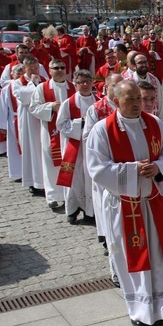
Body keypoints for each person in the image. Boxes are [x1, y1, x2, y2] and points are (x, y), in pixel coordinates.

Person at [86, 80, 163, 326]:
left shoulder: (155, 124)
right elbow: (97, 169)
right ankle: (140, 310)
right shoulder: (102, 130)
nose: (136, 104)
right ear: (117, 100)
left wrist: (159, 167)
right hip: (123, 206)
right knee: (132, 258)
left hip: (153, 202)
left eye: (139, 99)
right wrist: (133, 171)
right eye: (129, 99)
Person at [84, 73, 124, 255]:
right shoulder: (96, 109)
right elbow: (88, 137)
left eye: (120, 85)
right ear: (106, 87)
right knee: (106, 205)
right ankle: (109, 240)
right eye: (114, 85)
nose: (117, 88)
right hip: (106, 164)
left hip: (126, 165)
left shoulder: (128, 106)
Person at [29, 58, 76, 210]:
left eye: (62, 67)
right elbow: (34, 108)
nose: (60, 70)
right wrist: (50, 107)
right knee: (50, 164)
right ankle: (53, 197)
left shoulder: (73, 87)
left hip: (69, 133)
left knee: (69, 163)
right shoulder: (42, 88)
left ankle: (70, 195)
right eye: (56, 68)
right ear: (50, 70)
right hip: (51, 133)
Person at [56, 70, 97, 223]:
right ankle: (72, 210)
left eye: (87, 81)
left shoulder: (98, 101)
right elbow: (61, 124)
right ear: (75, 84)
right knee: (75, 179)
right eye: (81, 82)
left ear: (92, 82)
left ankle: (90, 211)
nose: (85, 85)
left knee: (91, 179)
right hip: (75, 148)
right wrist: (81, 122)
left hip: (92, 148)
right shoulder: (69, 103)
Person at [13, 56, 46, 196]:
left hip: (42, 120)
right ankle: (32, 182)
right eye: (31, 68)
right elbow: (23, 97)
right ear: (25, 69)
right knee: (31, 150)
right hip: (28, 121)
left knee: (43, 150)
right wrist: (32, 84)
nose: (34, 71)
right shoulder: (17, 83)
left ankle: (45, 181)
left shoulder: (43, 80)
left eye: (36, 68)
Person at [0, 65, 25, 181]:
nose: (20, 76)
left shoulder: (30, 86)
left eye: (23, 73)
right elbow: (2, 106)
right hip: (14, 121)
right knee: (15, 148)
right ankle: (18, 173)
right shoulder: (8, 89)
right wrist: (1, 124)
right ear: (12, 75)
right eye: (18, 74)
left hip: (29, 121)